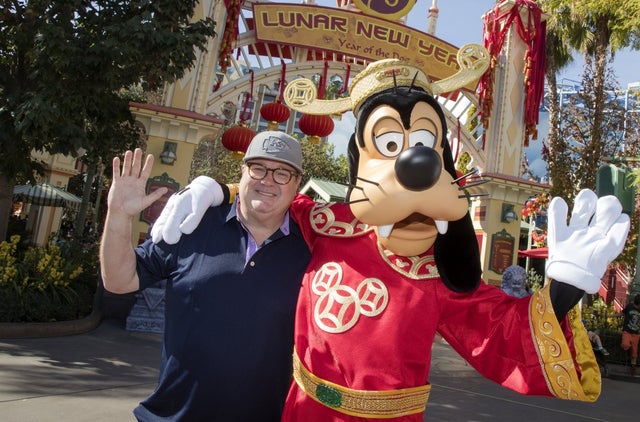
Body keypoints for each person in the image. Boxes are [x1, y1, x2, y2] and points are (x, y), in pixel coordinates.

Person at [99, 131, 311, 421]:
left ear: (297, 183)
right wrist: (119, 215)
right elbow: (119, 280)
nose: (268, 180)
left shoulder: (311, 250)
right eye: (258, 168)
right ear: (243, 171)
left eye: (282, 173)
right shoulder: (191, 223)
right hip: (172, 416)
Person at [620, 294, 640, 373]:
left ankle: (633, 367)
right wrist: (611, 315)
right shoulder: (629, 307)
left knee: (634, 352)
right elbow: (622, 313)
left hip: (636, 333)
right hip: (627, 331)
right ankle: (628, 353)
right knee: (625, 344)